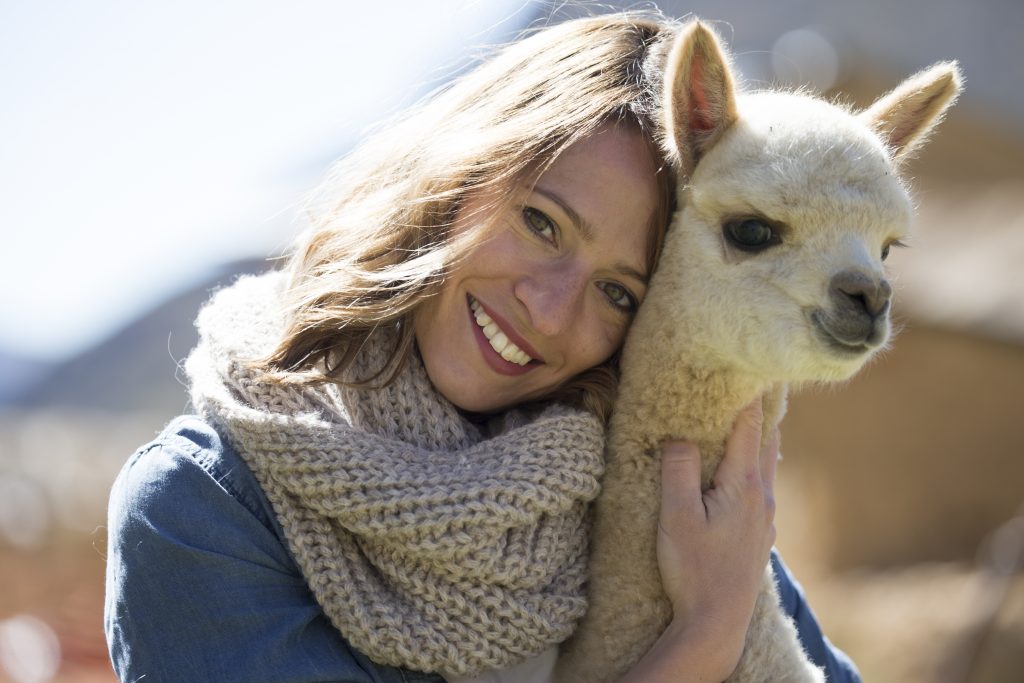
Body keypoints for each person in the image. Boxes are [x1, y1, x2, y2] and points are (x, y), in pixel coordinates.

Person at [104, 11, 860, 683]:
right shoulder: (198, 512)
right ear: (460, 175)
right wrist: (701, 642)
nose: (551, 310)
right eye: (541, 224)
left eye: (617, 292)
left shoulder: (650, 497)